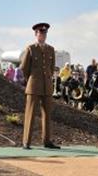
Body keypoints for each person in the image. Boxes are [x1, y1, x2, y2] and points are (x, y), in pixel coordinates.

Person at [20, 22, 60, 150]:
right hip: (34, 86)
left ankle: (47, 141)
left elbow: (51, 67)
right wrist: (31, 79)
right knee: (30, 114)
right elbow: (24, 68)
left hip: (47, 86)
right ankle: (26, 141)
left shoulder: (51, 49)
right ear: (36, 34)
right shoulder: (31, 48)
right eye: (41, 33)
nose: (43, 35)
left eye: (45, 33)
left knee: (47, 114)